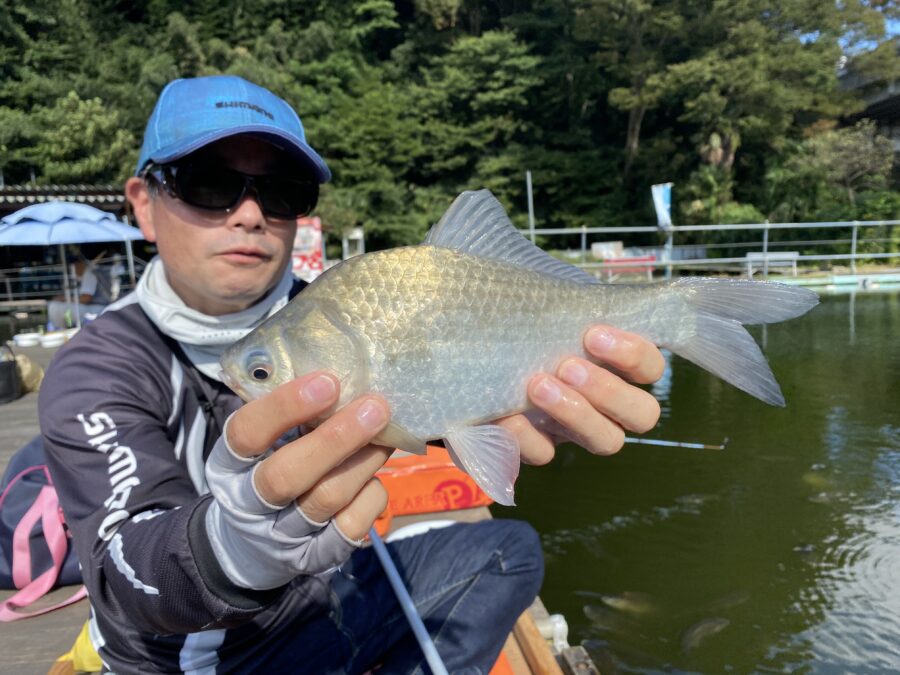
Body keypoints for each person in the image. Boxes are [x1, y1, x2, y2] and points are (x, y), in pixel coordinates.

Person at [38, 75, 663, 673]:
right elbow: (122, 569)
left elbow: (428, 393)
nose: (251, 214)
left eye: (281, 190)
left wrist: (501, 395)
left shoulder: (335, 303)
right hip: (207, 656)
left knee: (511, 550)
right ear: (143, 205)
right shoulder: (95, 368)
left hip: (327, 597)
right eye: (209, 183)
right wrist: (232, 550)